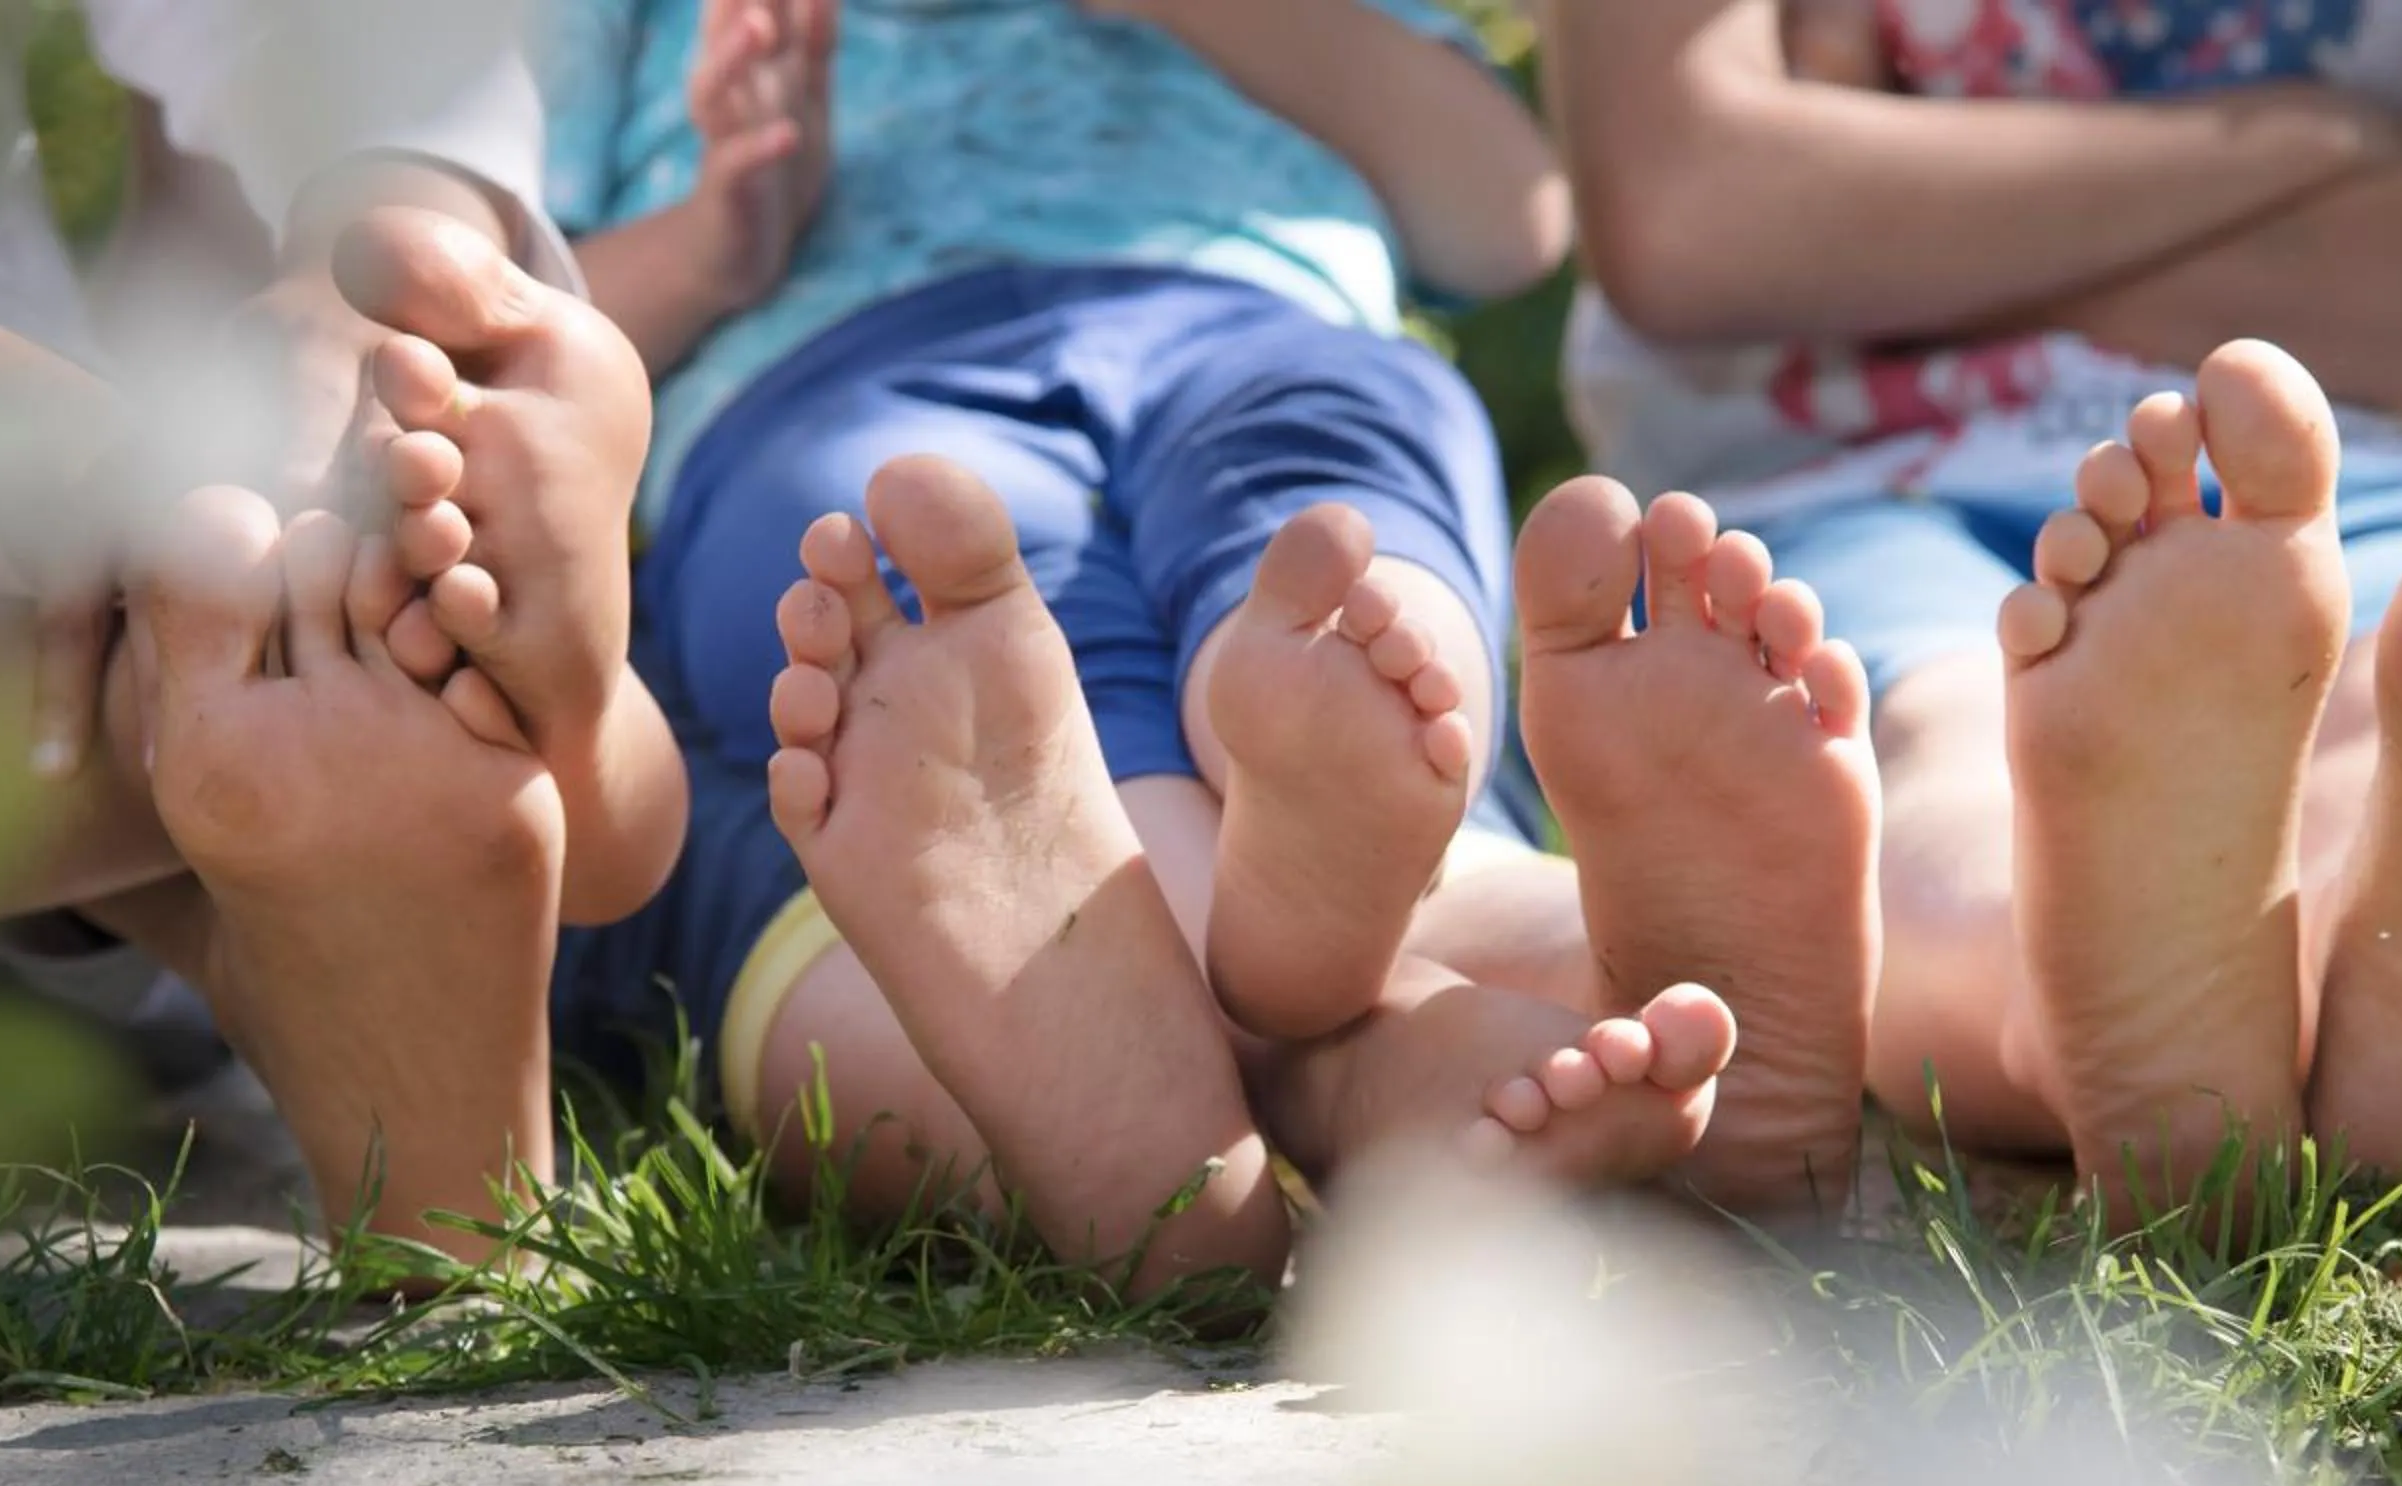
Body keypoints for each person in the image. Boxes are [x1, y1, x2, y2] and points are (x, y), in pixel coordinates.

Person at [535, 0, 1880, 1290]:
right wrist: (715, 241)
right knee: (955, 623)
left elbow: (1508, 214)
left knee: (1331, 533)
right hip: (831, 372)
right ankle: (1510, 1019)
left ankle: (1292, 821)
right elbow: (530, 334)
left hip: (1255, 325)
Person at [1538, 0, 2402, 1216]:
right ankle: (2352, 1026)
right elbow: (1699, 214)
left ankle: (2124, 1009)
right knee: (1948, 738)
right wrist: (2310, 135)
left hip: (2301, 481)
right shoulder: (2319, 136)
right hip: (1905, 478)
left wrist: (1912, 238)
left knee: (1930, 754)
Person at [0, 3, 687, 1265]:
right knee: (248, 637)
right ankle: (460, 704)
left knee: (232, 636)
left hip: (29, 649)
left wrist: (360, 262)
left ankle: (336, 705)